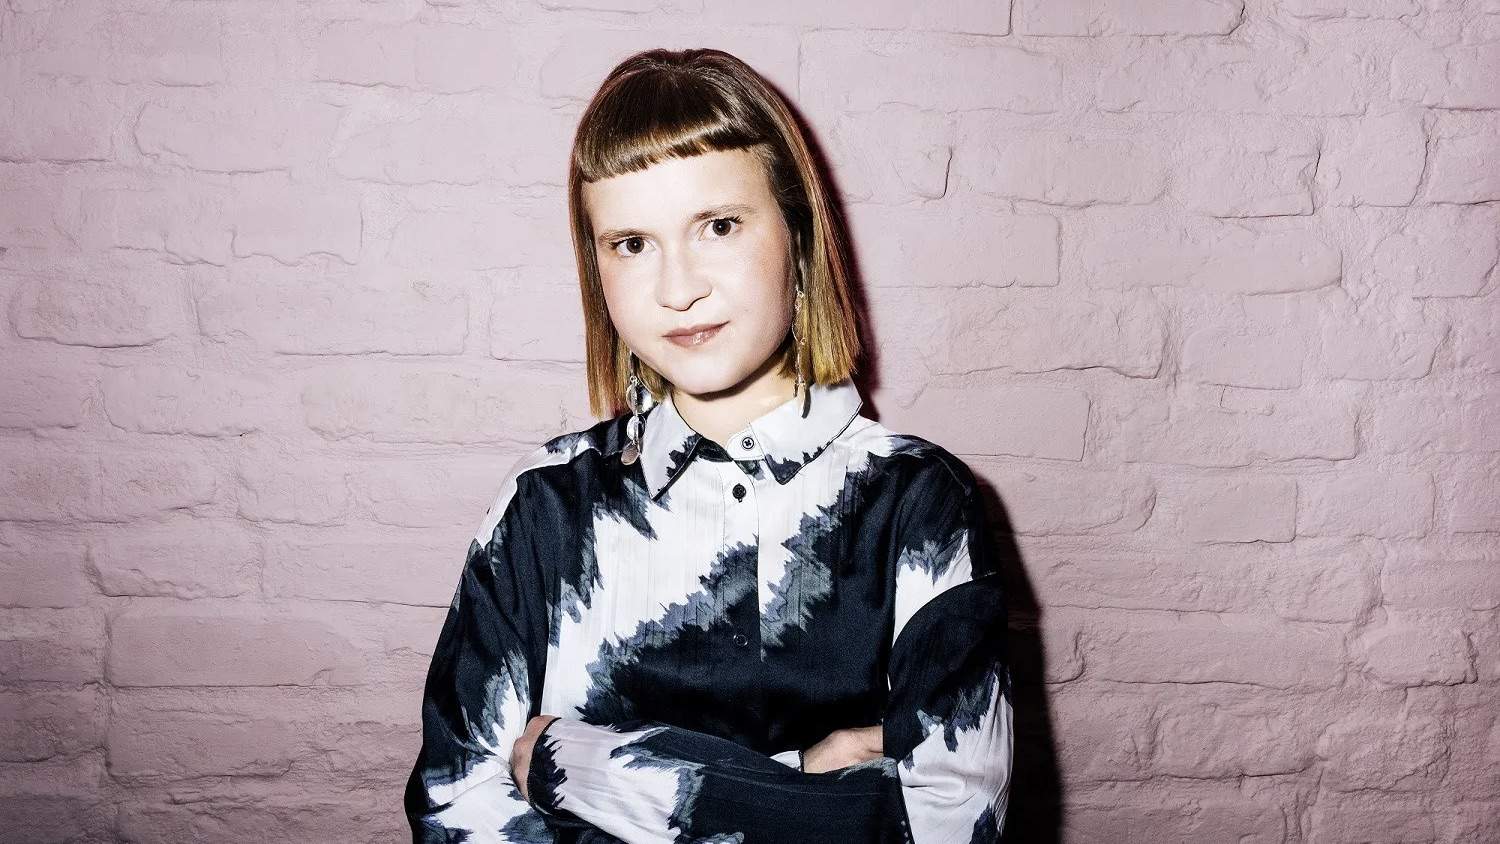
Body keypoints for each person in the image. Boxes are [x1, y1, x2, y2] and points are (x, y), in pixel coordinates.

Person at [404, 47, 1013, 843]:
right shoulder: (545, 502)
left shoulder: (918, 503)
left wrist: (574, 763)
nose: (677, 288)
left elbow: (952, 827)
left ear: (797, 236)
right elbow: (456, 810)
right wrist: (807, 783)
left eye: (718, 226)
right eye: (631, 243)